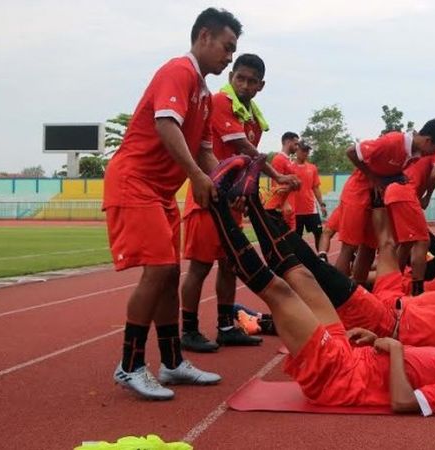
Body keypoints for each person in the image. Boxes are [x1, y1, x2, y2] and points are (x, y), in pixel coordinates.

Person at [206, 159, 435, 415]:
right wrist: (377, 343)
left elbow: (403, 402)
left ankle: (218, 203)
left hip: (337, 377)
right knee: (304, 277)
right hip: (353, 355)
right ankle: (250, 201)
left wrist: (393, 348)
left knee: (280, 292)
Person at [102, 8, 242, 400]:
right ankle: (129, 364)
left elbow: (203, 150)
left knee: (168, 274)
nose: (229, 57)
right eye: (227, 48)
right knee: (160, 269)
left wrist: (226, 179)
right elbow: (166, 124)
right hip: (135, 182)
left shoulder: (204, 95)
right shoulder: (178, 71)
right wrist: (197, 178)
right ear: (204, 37)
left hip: (161, 192)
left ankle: (172, 361)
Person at [241, 181, 435, 352]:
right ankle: (377, 199)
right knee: (379, 247)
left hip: (381, 319)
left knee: (307, 272)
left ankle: (255, 207)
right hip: (391, 300)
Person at [179, 53, 291, 353]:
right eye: (240, 78)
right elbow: (244, 148)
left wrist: (246, 191)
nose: (244, 84)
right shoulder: (219, 103)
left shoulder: (252, 114)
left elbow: (247, 160)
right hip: (208, 197)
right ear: (231, 77)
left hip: (231, 201)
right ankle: (188, 330)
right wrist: (278, 175)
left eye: (252, 80)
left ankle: (226, 327)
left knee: (230, 266)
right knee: (199, 268)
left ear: (261, 85)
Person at [335, 119, 435, 282]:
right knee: (349, 247)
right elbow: (351, 152)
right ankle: (339, 297)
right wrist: (373, 178)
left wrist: (396, 178)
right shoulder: (392, 141)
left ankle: (359, 292)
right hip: (358, 191)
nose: (433, 154)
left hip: (376, 196)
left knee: (369, 248)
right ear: (428, 141)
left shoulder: (414, 155)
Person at [386, 143, 435, 295]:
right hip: (405, 193)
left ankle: (394, 284)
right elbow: (434, 174)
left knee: (406, 243)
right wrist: (428, 197)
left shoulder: (423, 155)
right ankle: (417, 290)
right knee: (423, 240)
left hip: (393, 191)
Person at [292, 142, 327, 249]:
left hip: (310, 209)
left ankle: (321, 257)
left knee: (319, 233)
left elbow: (315, 187)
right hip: (294, 210)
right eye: (303, 150)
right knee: (296, 237)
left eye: (307, 151)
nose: (306, 153)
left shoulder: (312, 168)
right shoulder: (289, 167)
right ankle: (298, 261)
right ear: (297, 151)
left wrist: (322, 204)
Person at [263, 132, 301, 230]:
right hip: (284, 207)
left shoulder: (288, 161)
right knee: (287, 240)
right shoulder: (279, 159)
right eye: (296, 144)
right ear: (288, 142)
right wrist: (285, 203)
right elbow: (276, 184)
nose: (297, 147)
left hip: (291, 206)